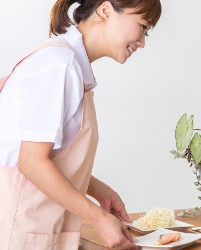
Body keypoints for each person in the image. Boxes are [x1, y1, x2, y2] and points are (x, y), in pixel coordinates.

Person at [0, 0, 161, 249]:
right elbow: (31, 162)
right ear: (106, 10)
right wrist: (99, 219)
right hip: (19, 236)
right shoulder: (58, 64)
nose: (142, 42)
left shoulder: (68, 64)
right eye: (142, 26)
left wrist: (99, 191)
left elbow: (51, 156)